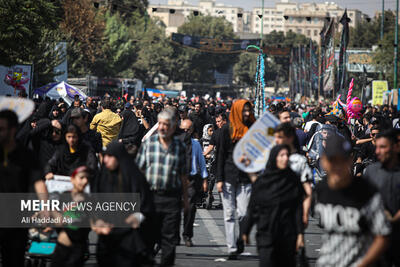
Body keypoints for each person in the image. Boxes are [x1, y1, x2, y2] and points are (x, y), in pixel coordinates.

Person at [314, 135, 391, 267]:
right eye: (333, 160)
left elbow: (382, 236)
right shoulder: (321, 190)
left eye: (342, 160)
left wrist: (363, 264)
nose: (338, 166)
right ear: (324, 161)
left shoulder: (367, 192)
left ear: (350, 160)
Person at [136, 109, 189, 266]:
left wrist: (185, 200)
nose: (162, 127)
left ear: (173, 127)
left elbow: (183, 175)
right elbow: (139, 172)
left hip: (171, 199)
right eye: (160, 124)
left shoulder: (180, 147)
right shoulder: (148, 145)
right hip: (150, 198)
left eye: (166, 124)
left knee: (169, 241)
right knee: (147, 239)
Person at [93, 141, 155, 267]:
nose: (106, 160)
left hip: (129, 236)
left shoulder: (134, 176)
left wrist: (137, 217)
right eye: (105, 156)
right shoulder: (103, 176)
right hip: (107, 234)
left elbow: (146, 204)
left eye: (110, 156)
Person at [241, 145, 304, 267]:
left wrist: (300, 234)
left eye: (287, 155)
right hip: (266, 235)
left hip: (287, 235)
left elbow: (297, 209)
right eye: (281, 155)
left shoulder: (293, 180)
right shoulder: (263, 181)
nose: (285, 158)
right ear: (274, 158)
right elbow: (253, 207)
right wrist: (245, 230)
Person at [0, 110, 48, 267]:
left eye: (2, 129)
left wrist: (45, 209)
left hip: (16, 218)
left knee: (13, 259)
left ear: (13, 129)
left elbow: (38, 182)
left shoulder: (26, 155)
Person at [216, 99, 255, 260]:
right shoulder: (227, 129)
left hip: (246, 178)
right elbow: (220, 155)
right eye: (244, 110)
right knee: (229, 214)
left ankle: (240, 239)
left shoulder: (253, 129)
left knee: (244, 213)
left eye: (249, 110)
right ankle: (231, 248)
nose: (246, 113)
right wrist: (219, 179)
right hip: (228, 176)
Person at [364, 129, 400, 267]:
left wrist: (394, 218)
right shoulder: (372, 171)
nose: (377, 151)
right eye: (377, 147)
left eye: (383, 147)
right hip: (375, 241)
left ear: (395, 147)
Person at [274, 123, 312, 230]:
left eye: (280, 137)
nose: (277, 140)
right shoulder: (271, 158)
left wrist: (305, 213)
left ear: (290, 138)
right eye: (276, 137)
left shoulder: (299, 161)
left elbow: (308, 190)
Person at [51, 166, 91, 267]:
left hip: (78, 251)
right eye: (81, 178)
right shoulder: (63, 196)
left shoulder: (89, 201)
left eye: (87, 178)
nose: (85, 181)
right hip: (62, 248)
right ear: (72, 179)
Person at [180, 119, 208, 247]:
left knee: (190, 208)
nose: (185, 132)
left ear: (192, 131)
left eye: (188, 130)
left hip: (191, 180)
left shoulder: (196, 144)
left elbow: (201, 162)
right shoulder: (175, 143)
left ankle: (187, 235)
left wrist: (204, 179)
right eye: (183, 130)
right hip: (176, 179)